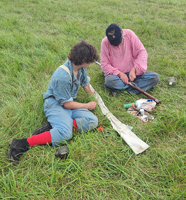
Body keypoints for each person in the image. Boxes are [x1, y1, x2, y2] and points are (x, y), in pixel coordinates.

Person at [8, 40, 99, 163]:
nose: (91, 62)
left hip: (69, 103)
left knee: (93, 121)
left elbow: (84, 84)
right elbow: (66, 104)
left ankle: (56, 127)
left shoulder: (81, 69)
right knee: (66, 134)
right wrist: (87, 106)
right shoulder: (62, 75)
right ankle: (22, 143)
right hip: (56, 104)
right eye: (90, 60)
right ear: (83, 59)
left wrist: (93, 96)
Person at [100, 23, 159, 94]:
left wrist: (135, 69)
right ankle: (135, 88)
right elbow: (104, 64)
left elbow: (142, 52)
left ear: (122, 32)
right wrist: (119, 74)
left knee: (154, 78)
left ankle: (122, 90)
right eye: (114, 44)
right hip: (117, 77)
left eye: (119, 42)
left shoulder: (129, 34)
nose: (117, 45)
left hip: (133, 74)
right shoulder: (104, 42)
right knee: (109, 81)